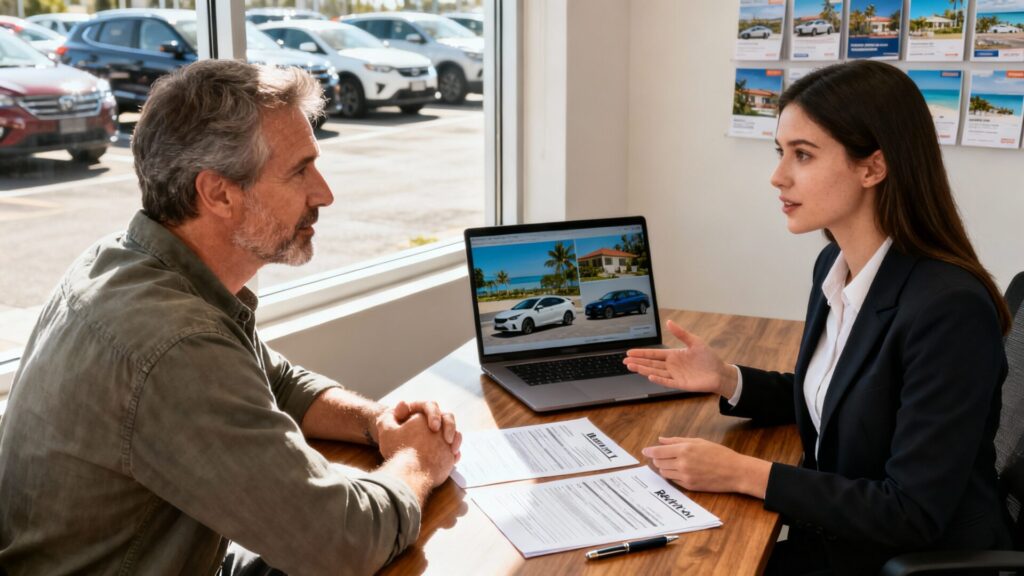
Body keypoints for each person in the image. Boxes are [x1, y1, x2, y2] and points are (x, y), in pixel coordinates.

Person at [0, 60, 462, 575]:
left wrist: (377, 422)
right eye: (300, 171)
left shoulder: (125, 258)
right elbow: (341, 543)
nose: (324, 193)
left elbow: (275, 380)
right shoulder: (175, 343)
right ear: (218, 193)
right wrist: (418, 462)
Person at [624, 60, 1014, 576]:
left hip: (899, 561)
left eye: (803, 154)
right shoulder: (836, 264)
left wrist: (744, 473)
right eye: (780, 152)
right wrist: (727, 379)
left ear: (872, 168)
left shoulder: (949, 309)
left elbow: (911, 511)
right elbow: (846, 397)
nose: (778, 176)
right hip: (835, 539)